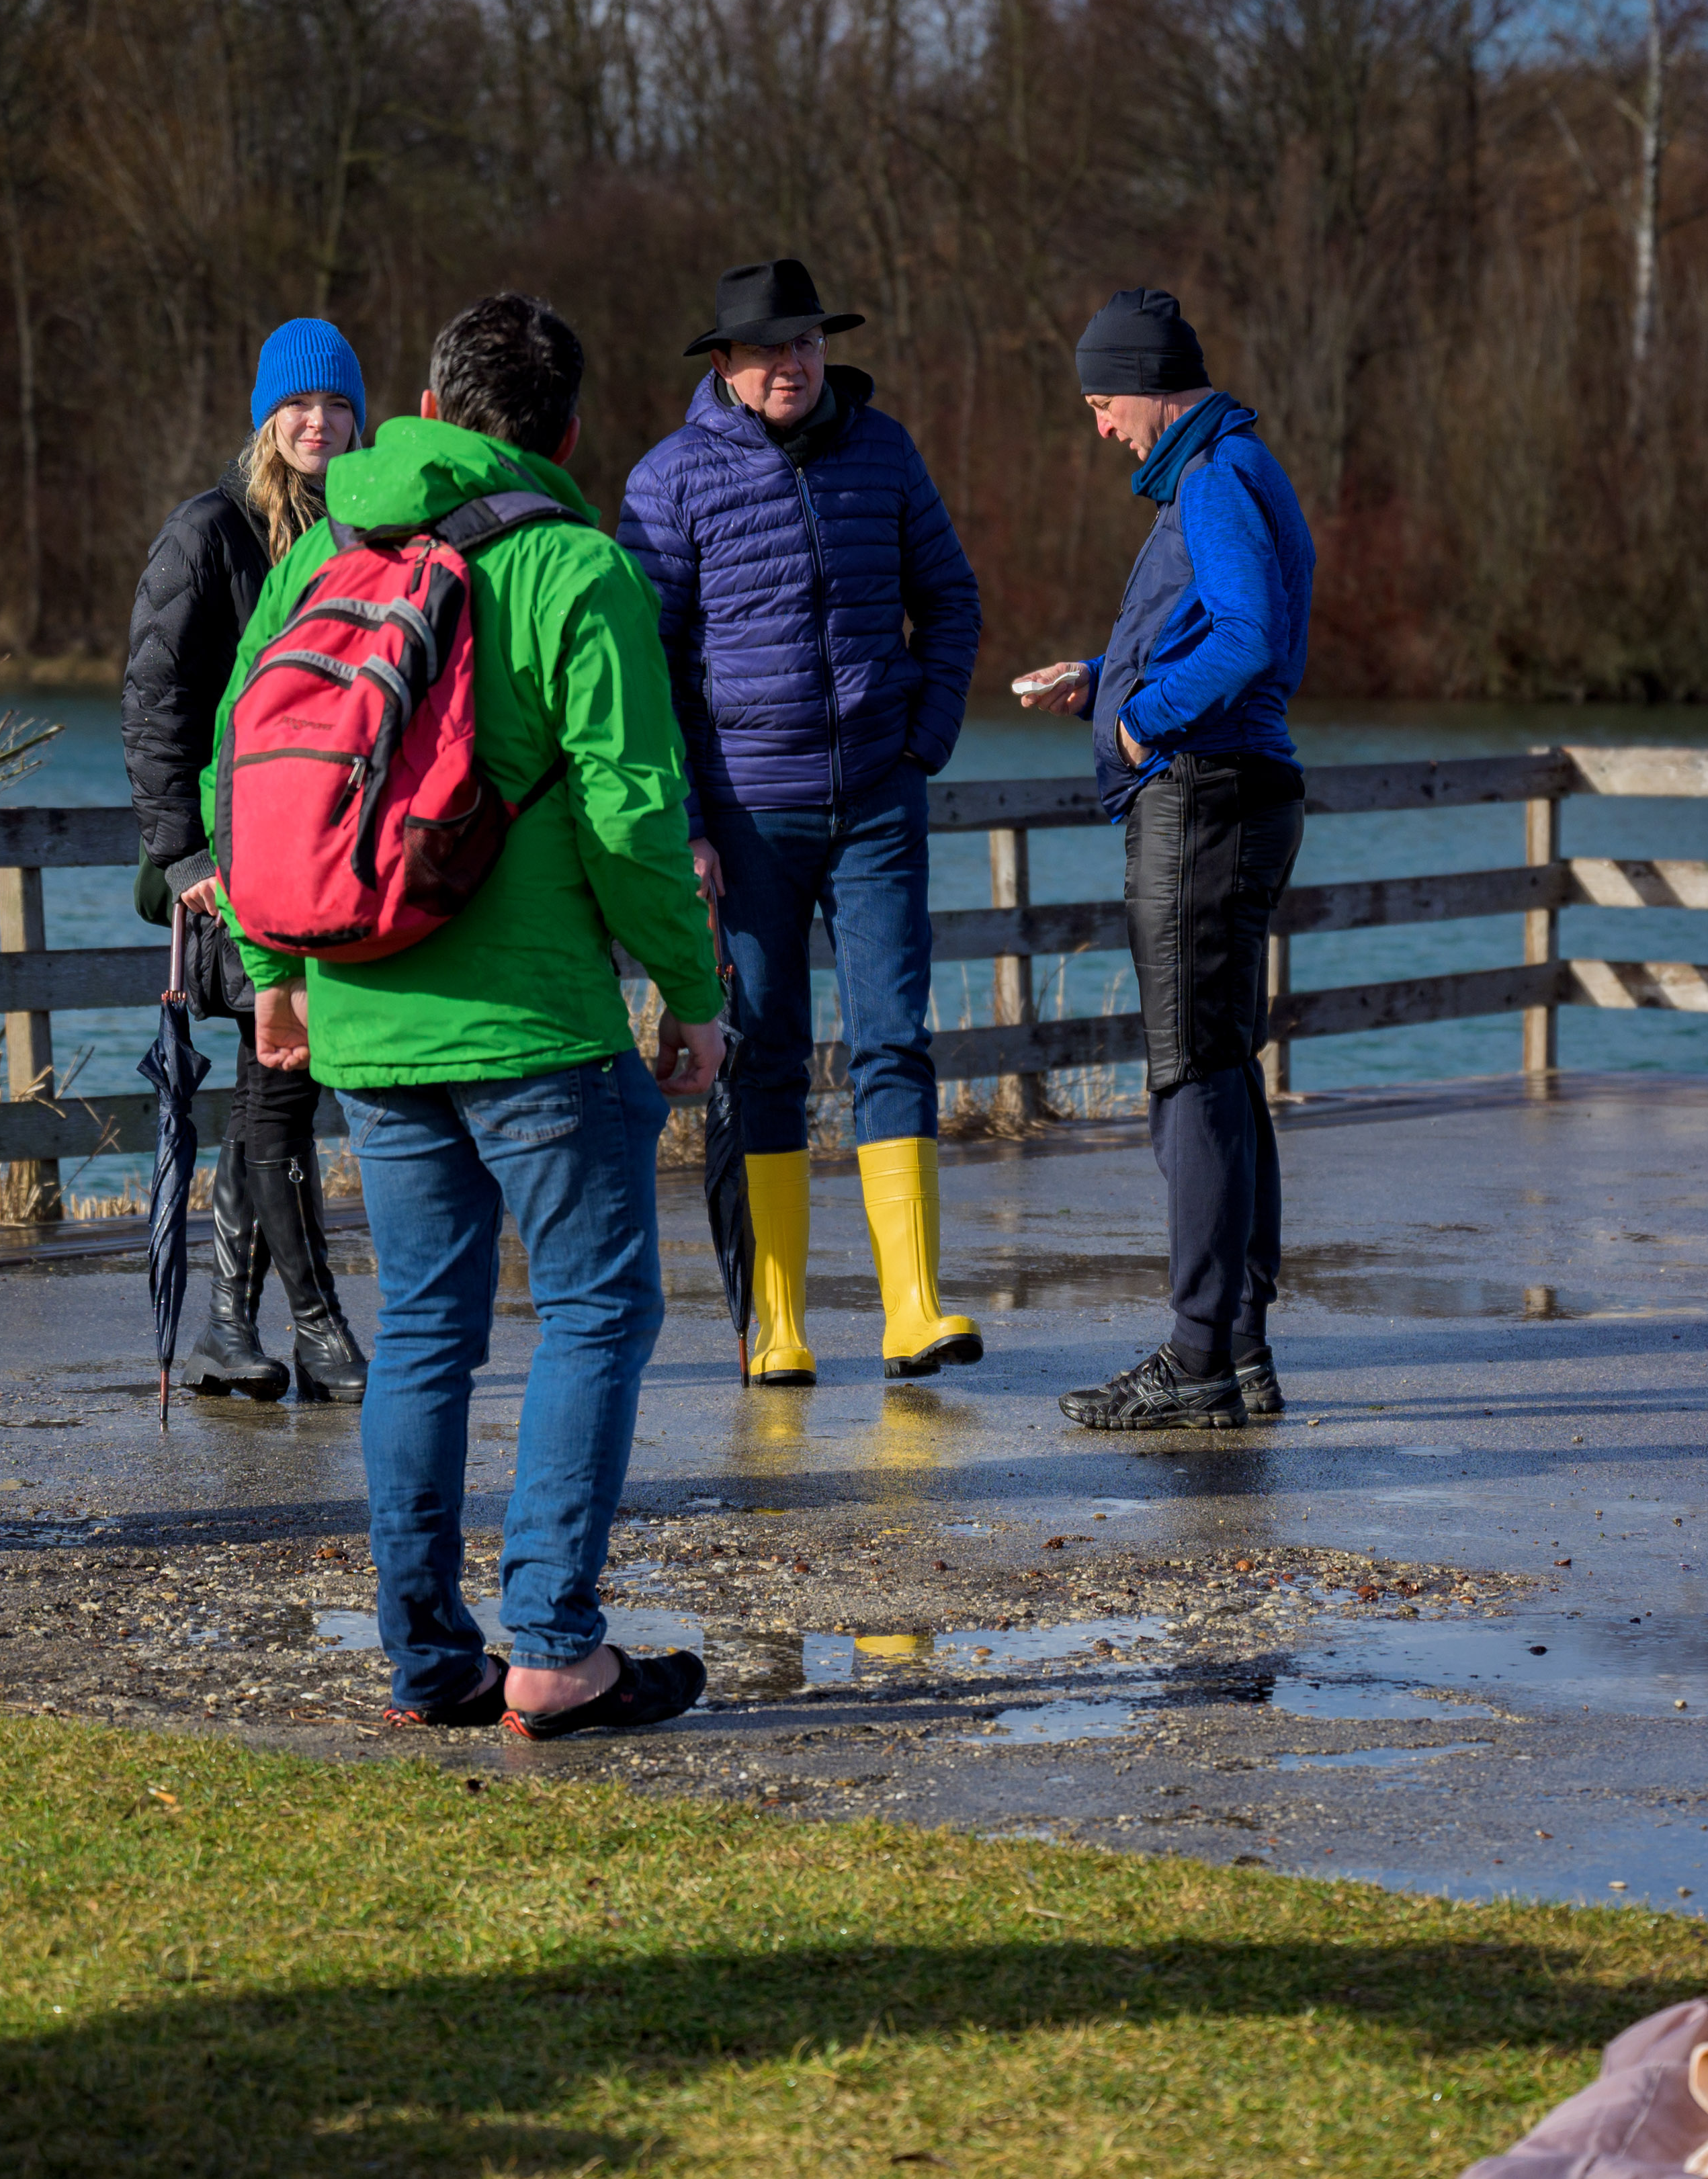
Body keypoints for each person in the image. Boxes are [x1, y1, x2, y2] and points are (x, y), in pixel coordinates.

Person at [223, 293, 729, 1740]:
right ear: (567, 429)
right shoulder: (578, 568)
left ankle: (425, 1653)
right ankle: (559, 1646)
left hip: (365, 1007)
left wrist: (275, 970)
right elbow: (637, 816)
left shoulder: (324, 548)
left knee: (427, 1329)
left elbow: (240, 767)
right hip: (536, 1024)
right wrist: (691, 994)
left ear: (433, 407)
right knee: (594, 1308)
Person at [615, 259, 984, 1388]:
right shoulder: (668, 480)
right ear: (722, 362)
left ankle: (912, 1308)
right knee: (764, 1053)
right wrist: (683, 816)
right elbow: (646, 662)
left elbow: (951, 597)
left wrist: (920, 739)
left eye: (809, 343)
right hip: (745, 813)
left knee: (892, 1040)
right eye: (770, 347)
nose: (794, 363)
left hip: (877, 796)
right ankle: (776, 1323)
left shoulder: (884, 449)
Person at [1013, 289, 1316, 1433]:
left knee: (1187, 1077)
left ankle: (1197, 1349)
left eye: (1102, 402)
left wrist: (1143, 723)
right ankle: (1235, 1350)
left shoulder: (1214, 477)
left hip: (1201, 797)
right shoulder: (1232, 466)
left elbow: (1244, 638)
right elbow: (1218, 622)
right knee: (1222, 1068)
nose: (1100, 428)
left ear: (1147, 382)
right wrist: (1103, 677)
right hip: (1228, 791)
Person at [124, 317, 374, 1405]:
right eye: (299, 407)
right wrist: (180, 854)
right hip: (229, 871)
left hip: (320, 863)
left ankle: (230, 1324)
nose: (317, 423)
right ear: (268, 419)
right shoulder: (209, 532)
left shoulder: (365, 532)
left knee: (267, 1094)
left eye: (335, 407)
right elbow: (152, 699)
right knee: (280, 1087)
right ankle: (317, 1329)